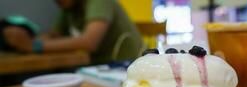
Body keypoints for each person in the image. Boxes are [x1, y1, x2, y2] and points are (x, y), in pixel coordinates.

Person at [3, 0, 144, 64]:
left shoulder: (99, 2)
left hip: (125, 65)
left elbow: (89, 42)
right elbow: (53, 35)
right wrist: (23, 39)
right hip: (97, 67)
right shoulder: (69, 9)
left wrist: (33, 46)